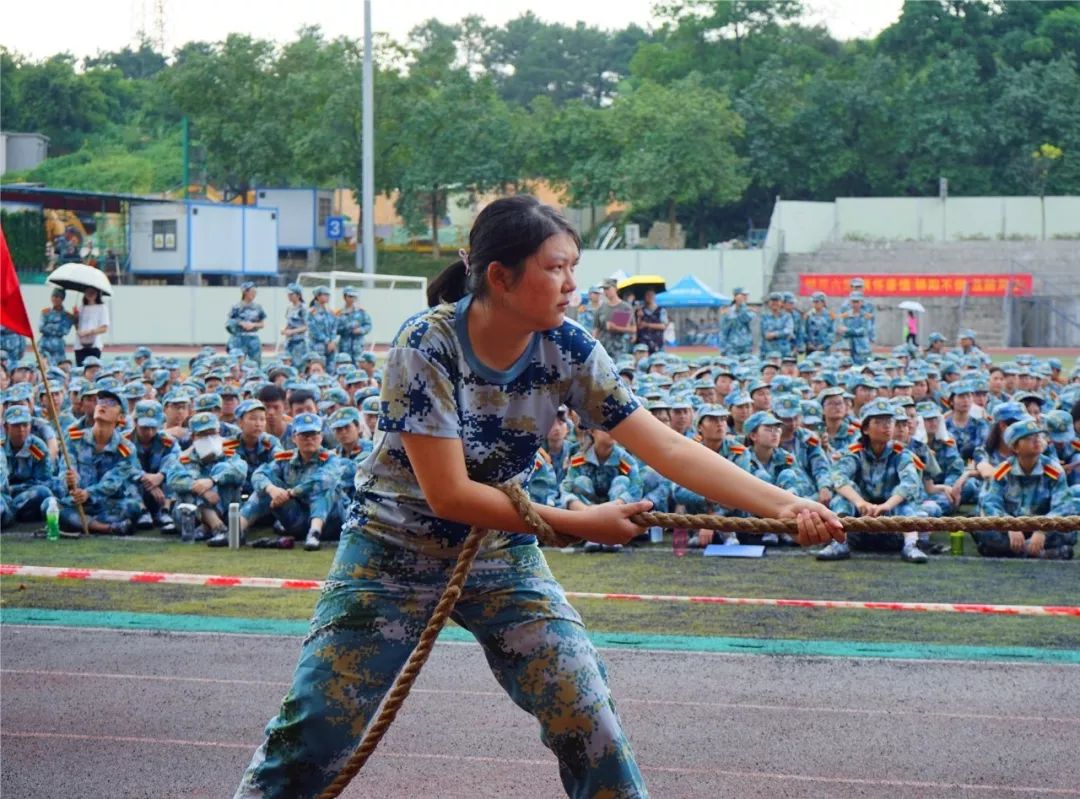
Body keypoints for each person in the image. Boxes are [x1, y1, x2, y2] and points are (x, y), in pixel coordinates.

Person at [231, 195, 842, 799]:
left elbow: (667, 447)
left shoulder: (568, 348)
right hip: (391, 548)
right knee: (316, 727)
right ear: (500, 276)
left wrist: (783, 506)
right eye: (556, 268)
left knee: (584, 708)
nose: (572, 285)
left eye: (572, 267)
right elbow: (448, 494)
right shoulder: (426, 344)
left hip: (500, 548)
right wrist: (577, 526)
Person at [816, 398, 929, 563]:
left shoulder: (901, 452)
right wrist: (860, 502)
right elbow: (839, 477)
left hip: (889, 511)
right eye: (879, 422)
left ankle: (911, 545)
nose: (887, 426)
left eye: (889, 421)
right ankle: (839, 543)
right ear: (866, 429)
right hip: (861, 513)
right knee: (841, 499)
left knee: (905, 503)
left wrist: (886, 506)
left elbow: (909, 482)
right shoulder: (855, 451)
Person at [236, 412, 342, 551]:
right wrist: (272, 490)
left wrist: (291, 493)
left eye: (314, 434)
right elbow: (259, 474)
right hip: (297, 520)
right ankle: (236, 531)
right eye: (304, 435)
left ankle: (314, 533)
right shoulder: (285, 459)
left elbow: (324, 479)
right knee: (265, 487)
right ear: (294, 438)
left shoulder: (330, 458)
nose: (309, 439)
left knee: (324, 488)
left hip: (330, 522)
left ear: (321, 437)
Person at [976, 418, 1075, 559]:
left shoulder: (1054, 470)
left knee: (1069, 531)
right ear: (1015, 447)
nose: (1037, 440)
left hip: (1042, 527)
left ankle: (1012, 552)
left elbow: (1063, 506)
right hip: (1011, 530)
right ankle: (1040, 553)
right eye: (1028, 438)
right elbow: (990, 503)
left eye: (1038, 436)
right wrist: (1009, 525)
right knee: (981, 528)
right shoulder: (1003, 471)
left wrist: (1042, 530)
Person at [60, 387, 142, 534]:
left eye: (111, 403)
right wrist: (71, 481)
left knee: (132, 507)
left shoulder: (126, 448)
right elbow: (66, 467)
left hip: (108, 502)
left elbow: (112, 483)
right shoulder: (74, 439)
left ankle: (85, 522)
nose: (103, 405)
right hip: (78, 501)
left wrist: (88, 493)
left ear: (121, 417)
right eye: (101, 401)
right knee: (51, 506)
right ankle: (107, 528)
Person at [165, 412, 248, 546]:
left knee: (224, 470)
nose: (208, 438)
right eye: (203, 435)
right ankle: (218, 528)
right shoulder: (183, 457)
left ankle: (208, 528)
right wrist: (202, 490)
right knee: (188, 490)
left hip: (224, 507)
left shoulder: (229, 454)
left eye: (212, 433)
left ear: (219, 432)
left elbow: (240, 471)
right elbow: (173, 479)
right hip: (190, 518)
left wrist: (212, 481)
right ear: (193, 437)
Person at [126, 399, 179, 532]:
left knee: (173, 471)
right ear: (135, 422)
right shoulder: (124, 440)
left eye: (153, 427)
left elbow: (177, 460)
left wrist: (161, 476)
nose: (149, 432)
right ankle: (142, 511)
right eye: (144, 427)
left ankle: (165, 511)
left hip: (162, 491)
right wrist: (145, 479)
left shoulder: (168, 441)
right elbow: (123, 465)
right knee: (125, 479)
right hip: (135, 491)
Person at [2, 404, 55, 523]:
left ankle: (9, 514)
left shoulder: (35, 448)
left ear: (30, 426)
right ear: (6, 427)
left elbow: (44, 481)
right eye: (16, 425)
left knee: (43, 492)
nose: (21, 430)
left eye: (25, 425)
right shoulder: (1, 446)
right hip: (4, 495)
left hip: (26, 493)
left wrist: (14, 489)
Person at [226, 282, 267, 365]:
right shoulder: (236, 307)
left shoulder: (258, 307)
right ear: (245, 292)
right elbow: (229, 322)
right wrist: (241, 323)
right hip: (239, 338)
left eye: (255, 292)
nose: (254, 294)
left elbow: (262, 324)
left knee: (255, 361)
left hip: (253, 337)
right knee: (237, 361)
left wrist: (253, 325)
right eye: (252, 292)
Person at [594, 278, 635, 359]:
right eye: (604, 289)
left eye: (608, 289)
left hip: (620, 349)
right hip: (603, 349)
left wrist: (615, 327)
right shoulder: (601, 308)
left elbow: (633, 329)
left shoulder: (625, 307)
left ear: (615, 289)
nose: (606, 292)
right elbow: (596, 329)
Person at [73, 286, 109, 366]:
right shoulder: (82, 307)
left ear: (97, 294)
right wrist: (75, 317)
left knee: (92, 369)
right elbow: (77, 327)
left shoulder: (102, 308)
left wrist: (89, 332)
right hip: (80, 345)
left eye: (93, 292)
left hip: (94, 345)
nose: (90, 294)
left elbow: (104, 328)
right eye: (88, 292)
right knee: (80, 369)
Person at [39, 288, 76, 364]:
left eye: (57, 296)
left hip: (58, 349)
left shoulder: (67, 315)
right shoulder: (45, 312)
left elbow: (65, 331)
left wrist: (49, 325)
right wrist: (58, 326)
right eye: (53, 296)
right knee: (43, 369)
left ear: (62, 299)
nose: (54, 299)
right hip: (44, 346)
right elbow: (41, 328)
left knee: (59, 369)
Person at [336, 287, 373, 362]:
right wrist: (347, 328)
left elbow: (368, 325)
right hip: (344, 346)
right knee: (344, 364)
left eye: (354, 297)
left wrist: (361, 330)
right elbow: (335, 329)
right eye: (350, 296)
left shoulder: (361, 312)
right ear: (344, 297)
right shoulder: (339, 313)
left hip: (358, 346)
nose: (352, 299)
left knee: (358, 366)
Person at [720, 287, 755, 356]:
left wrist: (742, 306)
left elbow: (745, 318)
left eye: (746, 295)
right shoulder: (728, 312)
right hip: (731, 347)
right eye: (742, 295)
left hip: (746, 347)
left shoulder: (749, 311)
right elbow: (724, 331)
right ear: (735, 297)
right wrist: (723, 349)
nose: (745, 297)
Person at [306, 286, 338, 359]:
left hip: (330, 348)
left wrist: (333, 341)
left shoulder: (330, 312)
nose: (327, 297)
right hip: (317, 347)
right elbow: (313, 330)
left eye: (328, 295)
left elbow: (334, 328)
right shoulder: (311, 312)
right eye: (325, 294)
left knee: (331, 368)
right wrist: (327, 341)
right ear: (317, 296)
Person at [281, 283, 308, 364]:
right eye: (288, 294)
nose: (289, 296)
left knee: (298, 363)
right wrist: (285, 330)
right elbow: (289, 323)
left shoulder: (303, 308)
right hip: (289, 341)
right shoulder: (289, 308)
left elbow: (307, 326)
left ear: (298, 295)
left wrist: (293, 331)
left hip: (299, 341)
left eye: (291, 294)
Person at [635, 288, 668, 354]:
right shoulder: (640, 311)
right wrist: (639, 316)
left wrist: (647, 325)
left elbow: (663, 326)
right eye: (647, 295)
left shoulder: (661, 310)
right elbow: (638, 326)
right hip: (643, 345)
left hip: (658, 344)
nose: (649, 297)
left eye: (651, 295)